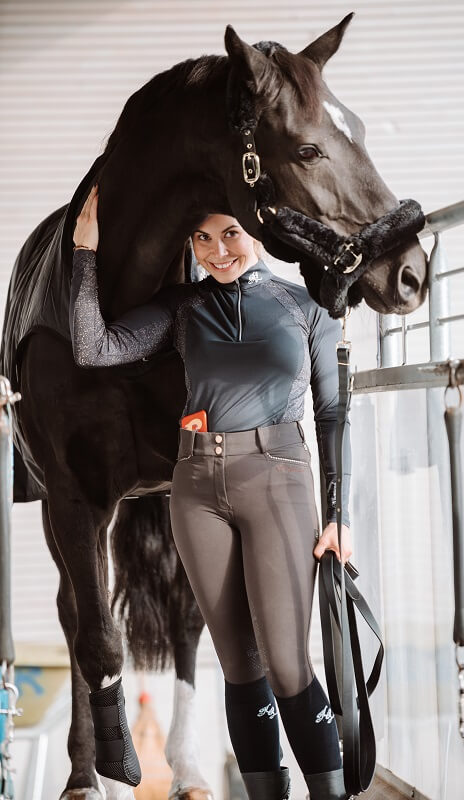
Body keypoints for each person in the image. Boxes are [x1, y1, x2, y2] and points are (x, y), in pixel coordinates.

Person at [71, 183, 353, 800]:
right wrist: (84, 255)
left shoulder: (308, 307)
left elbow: (332, 413)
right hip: (195, 487)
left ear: (256, 230)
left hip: (279, 479)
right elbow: (94, 349)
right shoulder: (182, 307)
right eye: (201, 238)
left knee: (287, 667)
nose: (216, 250)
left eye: (229, 233)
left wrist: (339, 514)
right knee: (240, 670)